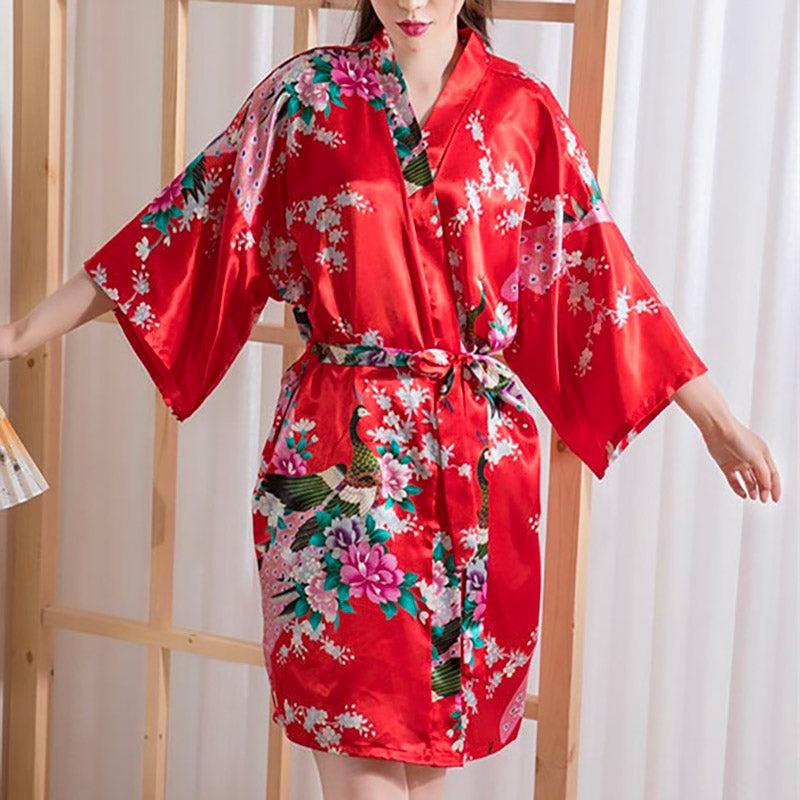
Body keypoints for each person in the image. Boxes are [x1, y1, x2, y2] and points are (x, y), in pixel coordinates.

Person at [0, 0, 782, 797]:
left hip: (474, 481)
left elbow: (600, 277)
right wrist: (20, 333)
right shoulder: (304, 99)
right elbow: (184, 226)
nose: (412, 3)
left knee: (429, 764)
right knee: (359, 766)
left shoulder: (523, 110)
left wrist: (717, 421)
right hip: (341, 470)